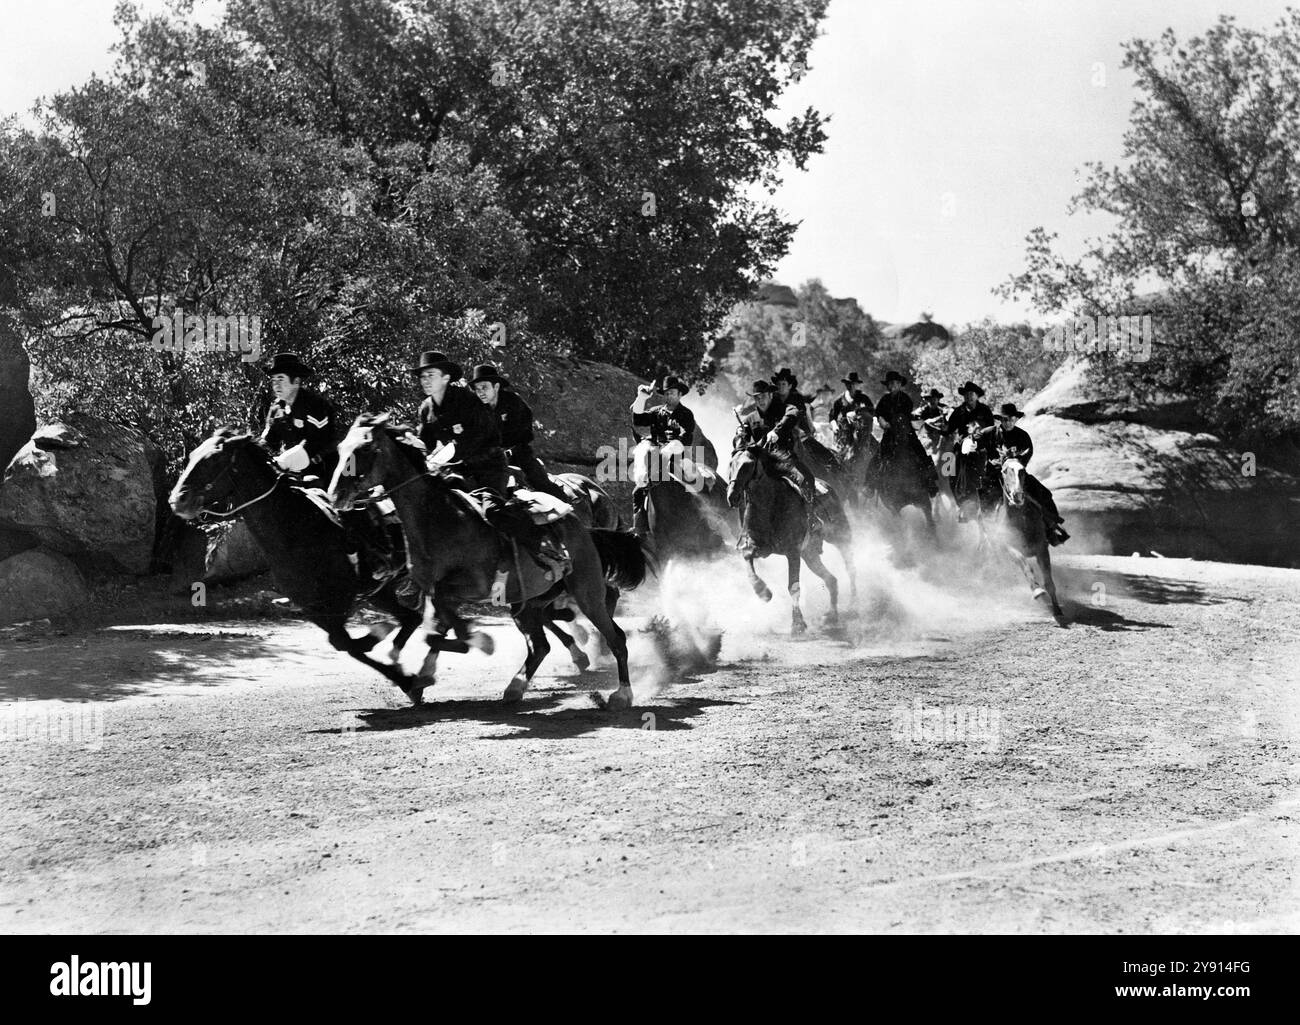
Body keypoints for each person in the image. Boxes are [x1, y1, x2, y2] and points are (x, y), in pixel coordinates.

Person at [411, 349, 563, 569]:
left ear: (446, 377)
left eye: (430, 375)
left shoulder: (468, 400)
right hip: (457, 472)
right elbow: (425, 446)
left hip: (489, 469)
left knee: (493, 511)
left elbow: (480, 437)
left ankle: (544, 548)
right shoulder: (426, 409)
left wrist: (449, 453)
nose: (425, 381)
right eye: (422, 376)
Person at [469, 363, 567, 500]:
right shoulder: (476, 409)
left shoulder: (513, 402)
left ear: (496, 387)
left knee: (540, 481)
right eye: (477, 389)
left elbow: (524, 430)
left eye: (484, 387)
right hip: (492, 460)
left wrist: (509, 449)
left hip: (518, 455)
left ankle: (567, 505)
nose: (480, 392)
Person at [989, 403, 1069, 545]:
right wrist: (970, 442)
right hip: (995, 476)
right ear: (1000, 420)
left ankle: (1052, 528)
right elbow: (977, 443)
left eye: (1011, 419)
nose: (1008, 422)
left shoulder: (1023, 436)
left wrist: (1016, 463)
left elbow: (1027, 453)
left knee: (1044, 493)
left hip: (1017, 474)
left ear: (1016, 419)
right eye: (1005, 419)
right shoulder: (990, 433)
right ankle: (988, 535)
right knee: (984, 498)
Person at [629, 375, 699, 537]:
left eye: (672, 393)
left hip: (678, 456)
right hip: (656, 457)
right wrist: (641, 399)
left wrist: (671, 447)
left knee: (694, 483)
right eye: (666, 393)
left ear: (680, 394)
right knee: (638, 491)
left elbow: (686, 436)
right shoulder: (656, 412)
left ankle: (708, 521)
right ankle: (639, 528)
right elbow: (638, 420)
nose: (669, 396)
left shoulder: (686, 414)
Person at [260, 351, 338, 483]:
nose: (276, 385)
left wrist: (285, 461)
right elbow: (268, 443)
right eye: (273, 380)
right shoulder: (276, 409)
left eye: (280, 379)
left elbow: (317, 443)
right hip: (296, 473)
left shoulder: (315, 405)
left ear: (296, 381)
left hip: (328, 473)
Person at [739, 379, 817, 505]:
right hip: (761, 465)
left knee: (806, 479)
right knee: (737, 486)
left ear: (770, 395)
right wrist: (740, 436)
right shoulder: (749, 419)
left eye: (763, 396)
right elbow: (741, 442)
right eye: (757, 398)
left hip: (786, 461)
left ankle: (811, 517)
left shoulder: (784, 409)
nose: (760, 400)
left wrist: (776, 431)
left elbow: (794, 412)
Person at [872, 370, 938, 496]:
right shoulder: (884, 399)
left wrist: (893, 422)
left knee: (921, 453)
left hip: (906, 432)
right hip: (889, 434)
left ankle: (931, 482)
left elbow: (903, 415)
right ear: (887, 385)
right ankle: (869, 484)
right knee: (877, 457)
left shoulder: (905, 399)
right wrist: (883, 422)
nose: (892, 386)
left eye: (895, 383)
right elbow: (879, 413)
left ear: (899, 384)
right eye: (890, 384)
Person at [944, 381, 997, 519]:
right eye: (966, 394)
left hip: (982, 447)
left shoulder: (985, 410)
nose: (969, 397)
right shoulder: (958, 411)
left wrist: (988, 445)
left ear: (977, 396)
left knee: (995, 471)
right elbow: (949, 430)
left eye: (972, 394)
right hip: (963, 448)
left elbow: (992, 429)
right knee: (949, 472)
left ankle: (995, 505)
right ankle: (961, 505)